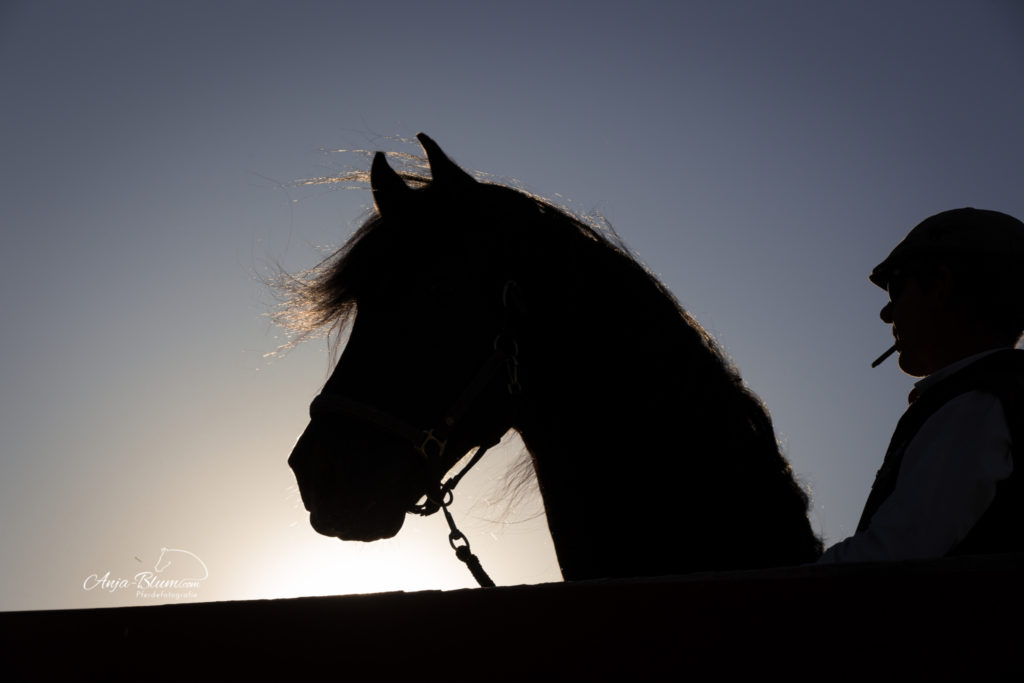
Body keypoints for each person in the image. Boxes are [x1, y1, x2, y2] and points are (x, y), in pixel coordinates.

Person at [819, 207, 1024, 563]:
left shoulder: (976, 403)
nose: (887, 314)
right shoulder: (990, 396)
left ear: (940, 286)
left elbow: (888, 560)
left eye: (897, 288)